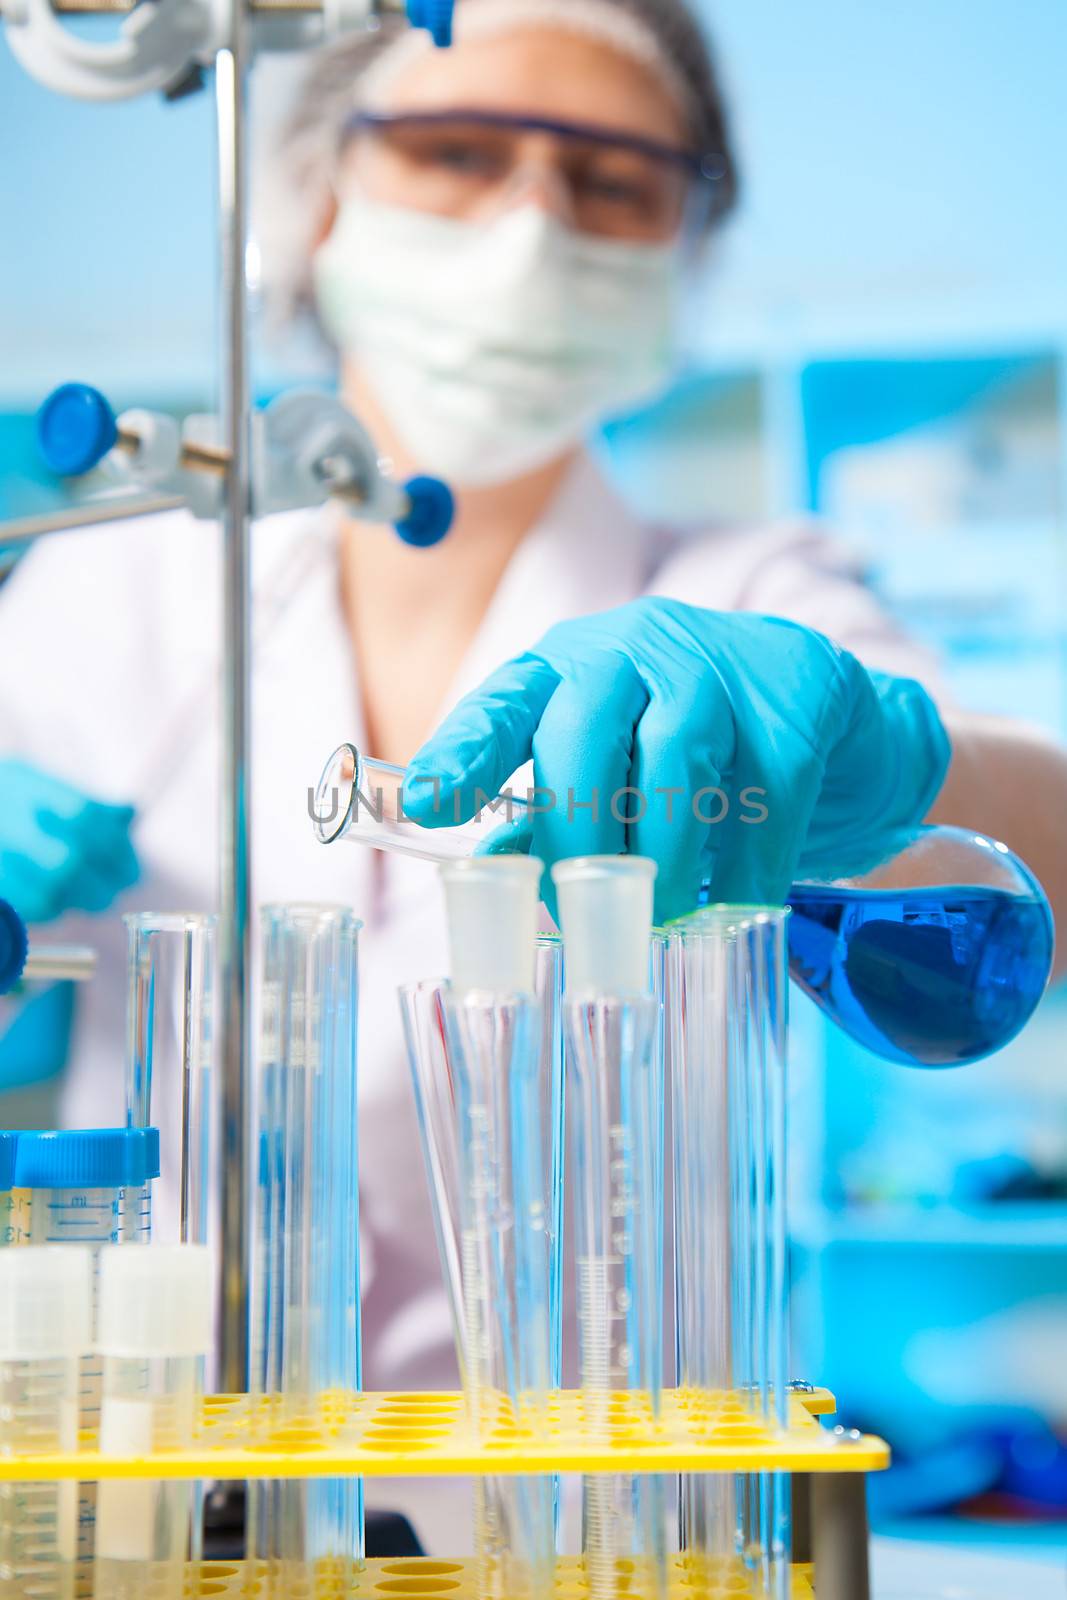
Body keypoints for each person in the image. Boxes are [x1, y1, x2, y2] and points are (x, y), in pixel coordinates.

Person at [0, 0, 1064, 1550]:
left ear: (688, 248)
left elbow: (1027, 836)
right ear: (316, 194)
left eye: (613, 183)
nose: (531, 228)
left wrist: (891, 765)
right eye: (454, 149)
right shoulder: (125, 590)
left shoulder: (755, 589)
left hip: (599, 1526)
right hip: (158, 1498)